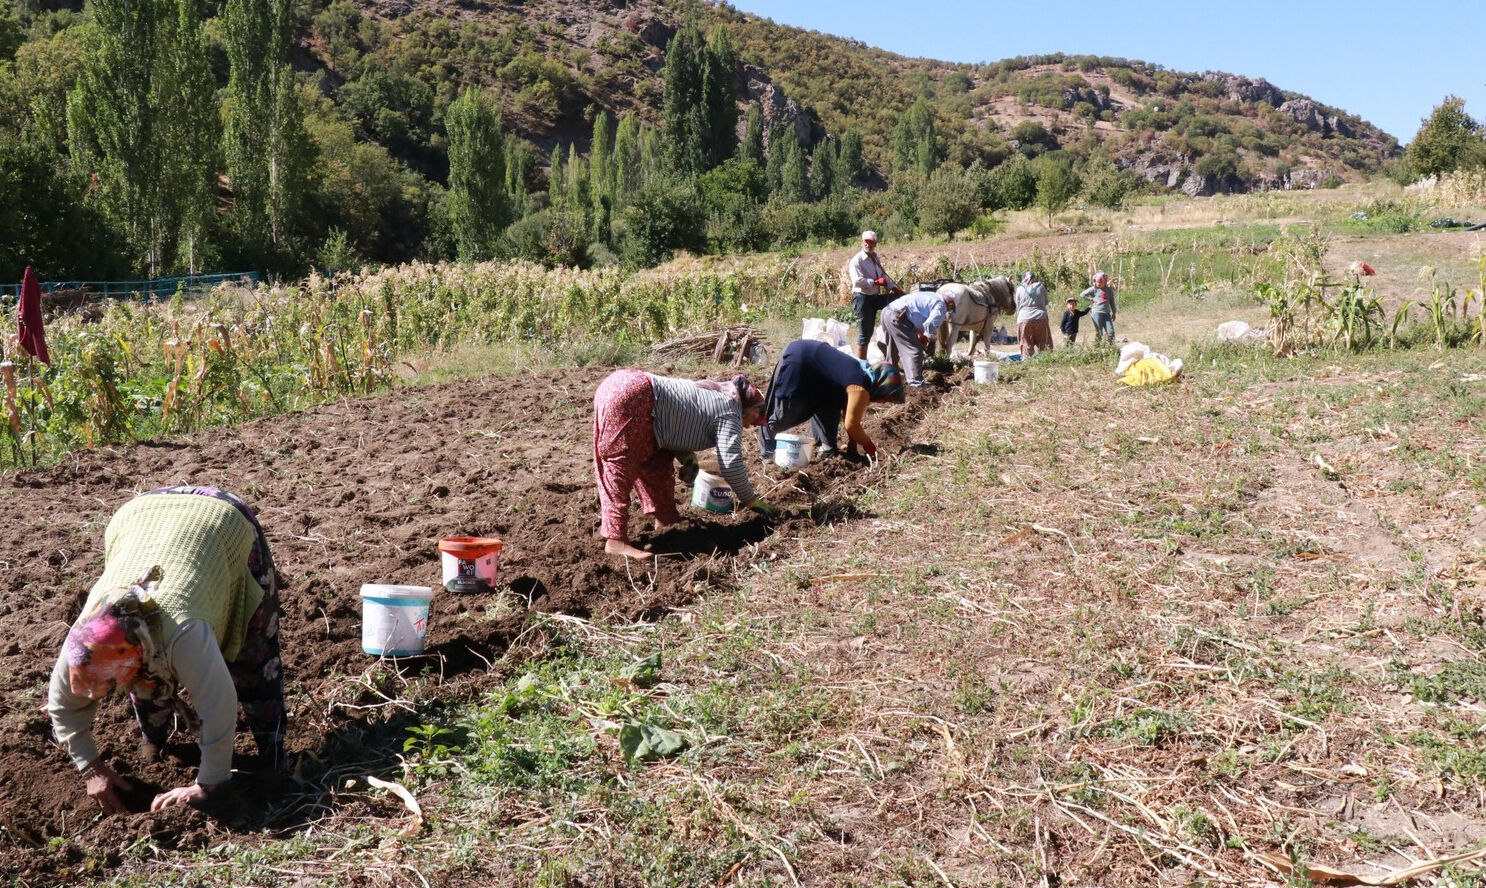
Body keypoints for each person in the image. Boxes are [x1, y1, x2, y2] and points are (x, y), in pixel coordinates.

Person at [47, 485, 286, 814]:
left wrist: (208, 784)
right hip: (136, 516)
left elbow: (219, 705)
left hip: (221, 520)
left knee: (254, 658)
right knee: (141, 679)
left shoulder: (184, 634)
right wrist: (91, 767)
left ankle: (273, 757)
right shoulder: (84, 637)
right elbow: (62, 706)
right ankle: (156, 745)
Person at [594, 370, 773, 560]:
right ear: (752, 409)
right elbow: (731, 463)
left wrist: (688, 457)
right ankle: (616, 540)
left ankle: (667, 519)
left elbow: (676, 423)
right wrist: (749, 499)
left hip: (629, 390)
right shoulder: (731, 411)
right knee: (620, 466)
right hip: (635, 396)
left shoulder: (716, 397)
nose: (751, 426)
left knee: (657, 461)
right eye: (756, 418)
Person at [757, 339, 906, 464]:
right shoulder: (860, 387)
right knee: (788, 411)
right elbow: (852, 425)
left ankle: (827, 448)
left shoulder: (861, 379)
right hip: (799, 360)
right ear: (881, 386)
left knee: (830, 404)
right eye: (886, 398)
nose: (882, 403)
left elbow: (850, 416)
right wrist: (869, 445)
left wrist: (852, 447)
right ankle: (767, 453)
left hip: (809, 363)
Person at [880, 289, 955, 386]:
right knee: (914, 350)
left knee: (892, 350)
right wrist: (930, 339)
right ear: (950, 303)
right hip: (899, 317)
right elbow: (930, 324)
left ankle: (889, 380)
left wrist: (922, 334)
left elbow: (918, 315)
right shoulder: (941, 305)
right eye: (951, 308)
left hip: (887, 312)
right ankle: (916, 383)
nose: (949, 310)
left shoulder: (932, 296)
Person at [847, 230, 902, 360]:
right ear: (862, 242)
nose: (869, 244)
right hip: (863, 298)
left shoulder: (874, 258)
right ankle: (861, 365)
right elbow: (857, 281)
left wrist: (894, 288)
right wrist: (876, 282)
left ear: (875, 244)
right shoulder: (857, 260)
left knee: (898, 302)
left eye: (872, 242)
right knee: (865, 334)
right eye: (866, 242)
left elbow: (883, 277)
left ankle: (889, 341)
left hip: (875, 297)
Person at [1014, 271, 1054, 358]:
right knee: (1045, 345)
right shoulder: (1041, 286)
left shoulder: (1019, 289)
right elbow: (1046, 302)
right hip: (1040, 318)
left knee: (1026, 345)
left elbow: (1017, 305)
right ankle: (1047, 361)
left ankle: (1027, 363)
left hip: (1024, 320)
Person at [1080, 270, 1117, 345]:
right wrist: (1092, 299)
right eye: (1097, 282)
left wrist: (1114, 312)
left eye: (1100, 281)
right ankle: (1097, 348)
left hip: (1106, 314)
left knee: (1110, 332)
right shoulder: (1094, 289)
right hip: (1096, 313)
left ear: (1104, 281)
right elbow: (1082, 294)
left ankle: (1111, 348)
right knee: (1099, 332)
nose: (1099, 283)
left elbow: (1112, 302)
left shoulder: (1109, 290)